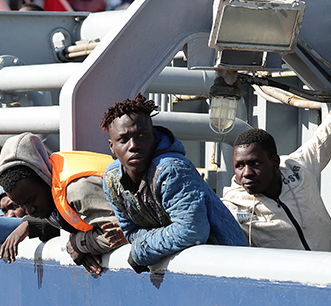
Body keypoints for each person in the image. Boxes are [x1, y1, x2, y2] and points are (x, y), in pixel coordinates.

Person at [221, 26, 331, 252]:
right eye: (239, 166)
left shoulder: (298, 168)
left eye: (254, 163)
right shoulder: (232, 207)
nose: (246, 173)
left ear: (275, 162)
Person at [101, 94, 248, 274]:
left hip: (228, 269)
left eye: (142, 135)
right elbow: (130, 232)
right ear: (111, 146)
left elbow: (192, 231)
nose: (133, 146)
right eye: (123, 140)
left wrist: (142, 249)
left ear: (154, 137)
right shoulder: (112, 179)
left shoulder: (172, 170)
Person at [0, 133, 126, 275]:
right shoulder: (50, 191)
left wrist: (78, 245)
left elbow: (121, 233)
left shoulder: (77, 189)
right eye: (22, 205)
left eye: (31, 200)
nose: (29, 210)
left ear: (43, 177)